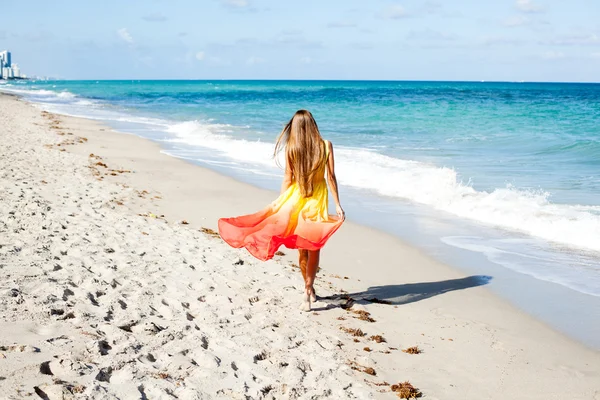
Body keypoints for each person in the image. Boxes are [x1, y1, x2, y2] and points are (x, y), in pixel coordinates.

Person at [218, 110, 345, 311]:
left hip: (296, 199)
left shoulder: (292, 148)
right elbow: (331, 178)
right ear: (313, 125)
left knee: (303, 248)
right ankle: (309, 288)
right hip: (316, 203)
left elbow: (288, 178)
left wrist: (280, 205)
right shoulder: (326, 145)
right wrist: (337, 204)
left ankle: (307, 290)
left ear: (295, 128)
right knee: (313, 247)